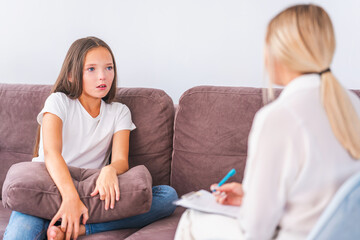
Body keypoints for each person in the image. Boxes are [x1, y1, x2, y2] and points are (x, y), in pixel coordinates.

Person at [175, 4, 360, 240]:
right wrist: (250, 197)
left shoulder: (278, 117)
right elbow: (319, 201)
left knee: (192, 219)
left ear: (281, 53)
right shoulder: (352, 105)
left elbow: (255, 231)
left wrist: (251, 207)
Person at [4, 36, 178, 240]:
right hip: (47, 189)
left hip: (90, 194)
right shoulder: (58, 102)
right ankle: (65, 216)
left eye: (109, 68)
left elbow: (121, 160)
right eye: (91, 69)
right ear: (71, 75)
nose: (102, 77)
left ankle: (79, 228)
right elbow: (51, 153)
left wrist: (109, 170)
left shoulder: (119, 112)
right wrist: (69, 197)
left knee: (167, 196)